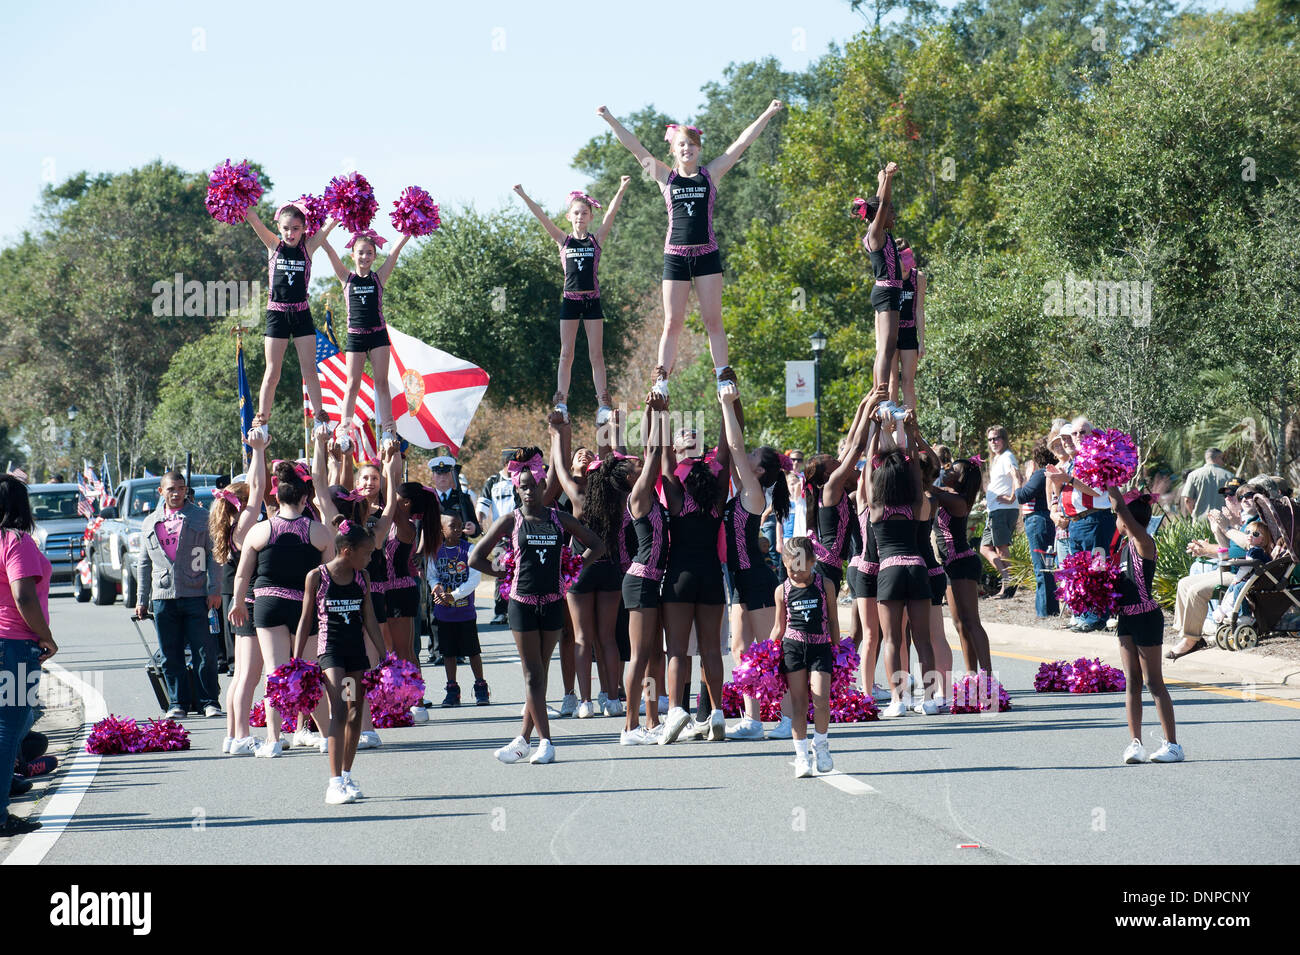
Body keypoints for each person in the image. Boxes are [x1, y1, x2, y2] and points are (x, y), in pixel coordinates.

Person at [597, 101, 784, 397]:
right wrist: (610, 119)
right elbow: (635, 148)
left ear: (699, 149)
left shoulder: (712, 174)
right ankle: (661, 380)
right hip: (676, 256)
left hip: (707, 253)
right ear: (674, 149)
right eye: (682, 145)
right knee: (672, 321)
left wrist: (768, 112)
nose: (688, 149)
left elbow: (742, 143)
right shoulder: (664, 177)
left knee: (713, 319)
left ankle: (723, 376)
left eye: (693, 145)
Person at [471, 448, 605, 764]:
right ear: (517, 489)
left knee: (540, 675)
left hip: (554, 603)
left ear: (544, 486)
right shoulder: (510, 521)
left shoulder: (560, 519)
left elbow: (598, 545)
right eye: (524, 486)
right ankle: (546, 742)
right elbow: (475, 557)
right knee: (533, 676)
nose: (529, 491)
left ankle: (522, 740)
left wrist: (572, 568)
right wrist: (498, 571)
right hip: (522, 604)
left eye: (534, 485)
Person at [586, 395, 669, 746]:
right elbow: (655, 454)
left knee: (651, 653)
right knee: (638, 655)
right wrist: (656, 414)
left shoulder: (638, 492)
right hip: (639, 581)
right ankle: (630, 727)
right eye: (634, 466)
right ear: (630, 477)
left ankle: (651, 721)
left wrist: (650, 415)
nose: (640, 465)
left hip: (649, 581)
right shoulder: (638, 497)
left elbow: (649, 457)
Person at [515, 179, 632, 424]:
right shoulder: (563, 240)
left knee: (596, 355)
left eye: (584, 213)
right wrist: (524, 195)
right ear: (569, 216)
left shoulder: (596, 240)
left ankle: (603, 404)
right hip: (569, 301)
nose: (580, 217)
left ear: (590, 216)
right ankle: (561, 403)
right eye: (576, 213)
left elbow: (610, 214)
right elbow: (542, 217)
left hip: (592, 301)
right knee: (566, 354)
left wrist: (621, 189)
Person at [719, 384, 792, 739]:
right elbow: (734, 449)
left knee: (771, 649)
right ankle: (752, 719)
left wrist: (727, 404)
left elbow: (734, 446)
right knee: (740, 648)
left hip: (756, 577)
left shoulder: (752, 492)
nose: (745, 458)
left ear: (760, 471)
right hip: (736, 579)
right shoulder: (744, 486)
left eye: (753, 458)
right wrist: (731, 408)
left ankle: (791, 717)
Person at [296, 519, 387, 804]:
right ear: (347, 550)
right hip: (330, 652)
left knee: (353, 713)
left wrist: (384, 655)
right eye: (367, 553)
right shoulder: (318, 577)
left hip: (355, 654)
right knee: (337, 707)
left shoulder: (362, 578)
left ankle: (347, 775)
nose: (370, 558)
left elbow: (369, 617)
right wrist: (296, 660)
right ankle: (333, 783)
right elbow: (305, 619)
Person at [658, 423, 732, 744]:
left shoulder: (675, 489)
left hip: (679, 576)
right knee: (711, 649)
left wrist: (661, 416)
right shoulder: (717, 489)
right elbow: (726, 449)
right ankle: (715, 713)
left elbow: (662, 456)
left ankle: (676, 711)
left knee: (676, 650)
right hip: (712, 575)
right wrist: (726, 404)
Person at [548, 418, 623, 718]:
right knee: (605, 637)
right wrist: (608, 427)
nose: (586, 453)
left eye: (589, 453)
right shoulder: (612, 494)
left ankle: (587, 702)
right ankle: (611, 700)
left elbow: (561, 470)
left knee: (584, 637)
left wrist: (557, 434)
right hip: (610, 568)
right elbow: (611, 460)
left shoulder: (577, 495)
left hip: (581, 568)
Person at [864, 406, 936, 718]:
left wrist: (875, 430)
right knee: (923, 639)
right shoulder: (917, 504)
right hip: (918, 568)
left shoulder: (876, 508)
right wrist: (905, 431)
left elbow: (869, 467)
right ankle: (930, 700)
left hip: (890, 570)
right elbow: (914, 471)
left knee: (892, 639)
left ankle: (897, 701)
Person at [242, 203, 336, 440]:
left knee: (309, 369)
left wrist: (345, 201)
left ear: (305, 229)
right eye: (286, 228)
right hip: (277, 314)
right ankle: (262, 423)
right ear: (278, 227)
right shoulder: (273, 245)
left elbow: (333, 221)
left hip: (302, 313)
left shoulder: (309, 247)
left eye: (296, 228)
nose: (290, 233)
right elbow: (253, 218)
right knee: (272, 371)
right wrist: (236, 195)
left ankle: (319, 419)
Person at [134, 470, 223, 720]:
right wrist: (141, 600)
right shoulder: (150, 522)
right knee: (170, 653)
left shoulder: (202, 517)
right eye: (171, 489)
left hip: (196, 595)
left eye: (181, 488)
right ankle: (177, 703)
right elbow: (143, 563)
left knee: (204, 652)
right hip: (163, 598)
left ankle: (209, 701)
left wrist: (214, 589)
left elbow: (215, 556)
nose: (176, 493)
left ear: (186, 490)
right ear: (161, 491)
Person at [317, 226, 410, 451]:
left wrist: (409, 229)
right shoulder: (346, 278)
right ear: (352, 255)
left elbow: (394, 252)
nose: (365, 257)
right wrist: (320, 230)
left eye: (369, 253)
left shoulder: (379, 278)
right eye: (360, 252)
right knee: (352, 384)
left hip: (378, 334)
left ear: (374, 256)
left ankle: (388, 430)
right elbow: (328, 250)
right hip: (355, 337)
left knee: (381, 382)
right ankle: (344, 431)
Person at [1, 474, 58, 837]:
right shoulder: (16, 541)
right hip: (14, 644)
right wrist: (46, 637)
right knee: (8, 731)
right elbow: (23, 596)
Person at [1109, 488, 1183, 764]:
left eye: (1120, 517)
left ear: (1129, 520)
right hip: (1126, 617)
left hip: (1147, 617)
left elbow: (1120, 509)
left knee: (1153, 682)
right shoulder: (1123, 546)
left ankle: (1173, 745)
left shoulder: (1143, 542)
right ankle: (1135, 744)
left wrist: (1108, 480)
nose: (1116, 520)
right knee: (1132, 681)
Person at [210, 429, 269, 754]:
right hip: (245, 602)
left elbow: (256, 490)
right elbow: (259, 488)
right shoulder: (243, 525)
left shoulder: (229, 527)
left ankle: (233, 735)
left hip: (236, 600)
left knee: (242, 674)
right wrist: (257, 450)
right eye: (250, 501)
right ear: (242, 503)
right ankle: (242, 734)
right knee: (248, 674)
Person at [1166, 480, 1255, 659]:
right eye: (1227, 495)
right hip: (1232, 568)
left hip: (1244, 574)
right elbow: (1227, 551)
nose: (1230, 498)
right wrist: (1217, 531)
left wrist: (1226, 527)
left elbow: (1247, 545)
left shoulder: (1254, 521)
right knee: (1184, 583)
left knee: (1196, 591)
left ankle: (1191, 640)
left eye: (1237, 494)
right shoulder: (1242, 519)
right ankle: (1187, 634)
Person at [429, 513, 490, 706]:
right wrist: (436, 586)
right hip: (443, 613)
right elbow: (432, 574)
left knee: (473, 651)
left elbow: (474, 580)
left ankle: (481, 687)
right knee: (448, 653)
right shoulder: (435, 551)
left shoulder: (469, 549)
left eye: (459, 526)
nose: (457, 530)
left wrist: (453, 596)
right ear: (441, 530)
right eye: (452, 526)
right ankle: (452, 690)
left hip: (465, 612)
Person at [854, 163, 904, 398]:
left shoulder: (877, 230)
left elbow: (878, 202)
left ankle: (878, 391)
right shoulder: (875, 234)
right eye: (891, 213)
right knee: (886, 347)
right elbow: (881, 203)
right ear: (878, 217)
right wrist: (889, 178)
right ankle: (881, 395)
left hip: (889, 292)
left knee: (887, 346)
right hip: (886, 292)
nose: (893, 216)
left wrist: (882, 178)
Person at [1004, 438, 1059, 619]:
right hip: (1042, 520)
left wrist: (1016, 479)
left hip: (1038, 521)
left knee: (1041, 567)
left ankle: (1045, 612)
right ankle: (1047, 609)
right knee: (1045, 566)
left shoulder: (1041, 473)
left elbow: (1022, 496)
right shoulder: (1048, 473)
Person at [478, 450, 520, 625]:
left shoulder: (521, 480)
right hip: (500, 537)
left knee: (520, 573)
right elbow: (482, 506)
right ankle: (500, 611)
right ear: (507, 463)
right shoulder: (493, 481)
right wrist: (480, 523)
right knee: (499, 571)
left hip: (519, 533)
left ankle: (517, 610)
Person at [980, 425, 1020, 598]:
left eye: (996, 438)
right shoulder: (997, 459)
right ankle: (1008, 578)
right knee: (984, 548)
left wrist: (1012, 497)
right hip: (994, 510)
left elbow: (1017, 477)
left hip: (1003, 510)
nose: (993, 442)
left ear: (1004, 439)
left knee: (1001, 547)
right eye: (990, 439)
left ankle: (1009, 584)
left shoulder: (1007, 456)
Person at [889, 239, 926, 411]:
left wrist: (922, 342)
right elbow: (879, 310)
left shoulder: (918, 277)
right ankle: (892, 423)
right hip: (891, 332)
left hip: (909, 332)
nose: (905, 263)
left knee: (908, 381)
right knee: (892, 380)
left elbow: (919, 310)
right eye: (901, 258)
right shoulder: (888, 277)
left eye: (907, 257)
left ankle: (910, 423)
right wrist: (879, 342)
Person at [1181, 448, 1235, 518]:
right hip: (1222, 520)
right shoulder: (1229, 475)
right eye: (1223, 459)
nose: (1223, 462)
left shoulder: (1193, 475)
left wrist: (1194, 515)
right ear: (1218, 458)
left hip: (1200, 521)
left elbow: (1187, 500)